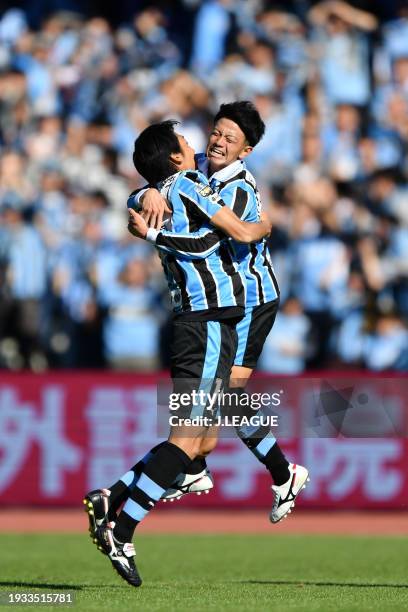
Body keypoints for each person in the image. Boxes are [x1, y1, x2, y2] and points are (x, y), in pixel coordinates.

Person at [84, 119, 271, 587]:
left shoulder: (163, 188)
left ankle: (114, 496)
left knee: (201, 443)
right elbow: (221, 237)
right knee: (188, 440)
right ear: (174, 157)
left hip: (200, 323)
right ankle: (121, 530)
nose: (196, 144)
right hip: (206, 323)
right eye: (186, 141)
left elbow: (136, 199)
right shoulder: (188, 182)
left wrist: (144, 194)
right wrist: (262, 225)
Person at [127, 102, 309, 523]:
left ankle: (277, 472)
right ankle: (266, 472)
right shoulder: (199, 169)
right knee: (210, 420)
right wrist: (147, 191)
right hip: (220, 300)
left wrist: (262, 227)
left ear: (246, 151)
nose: (218, 142)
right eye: (216, 132)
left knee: (222, 402)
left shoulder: (239, 187)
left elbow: (232, 234)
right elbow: (161, 178)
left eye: (231, 138)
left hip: (250, 299)